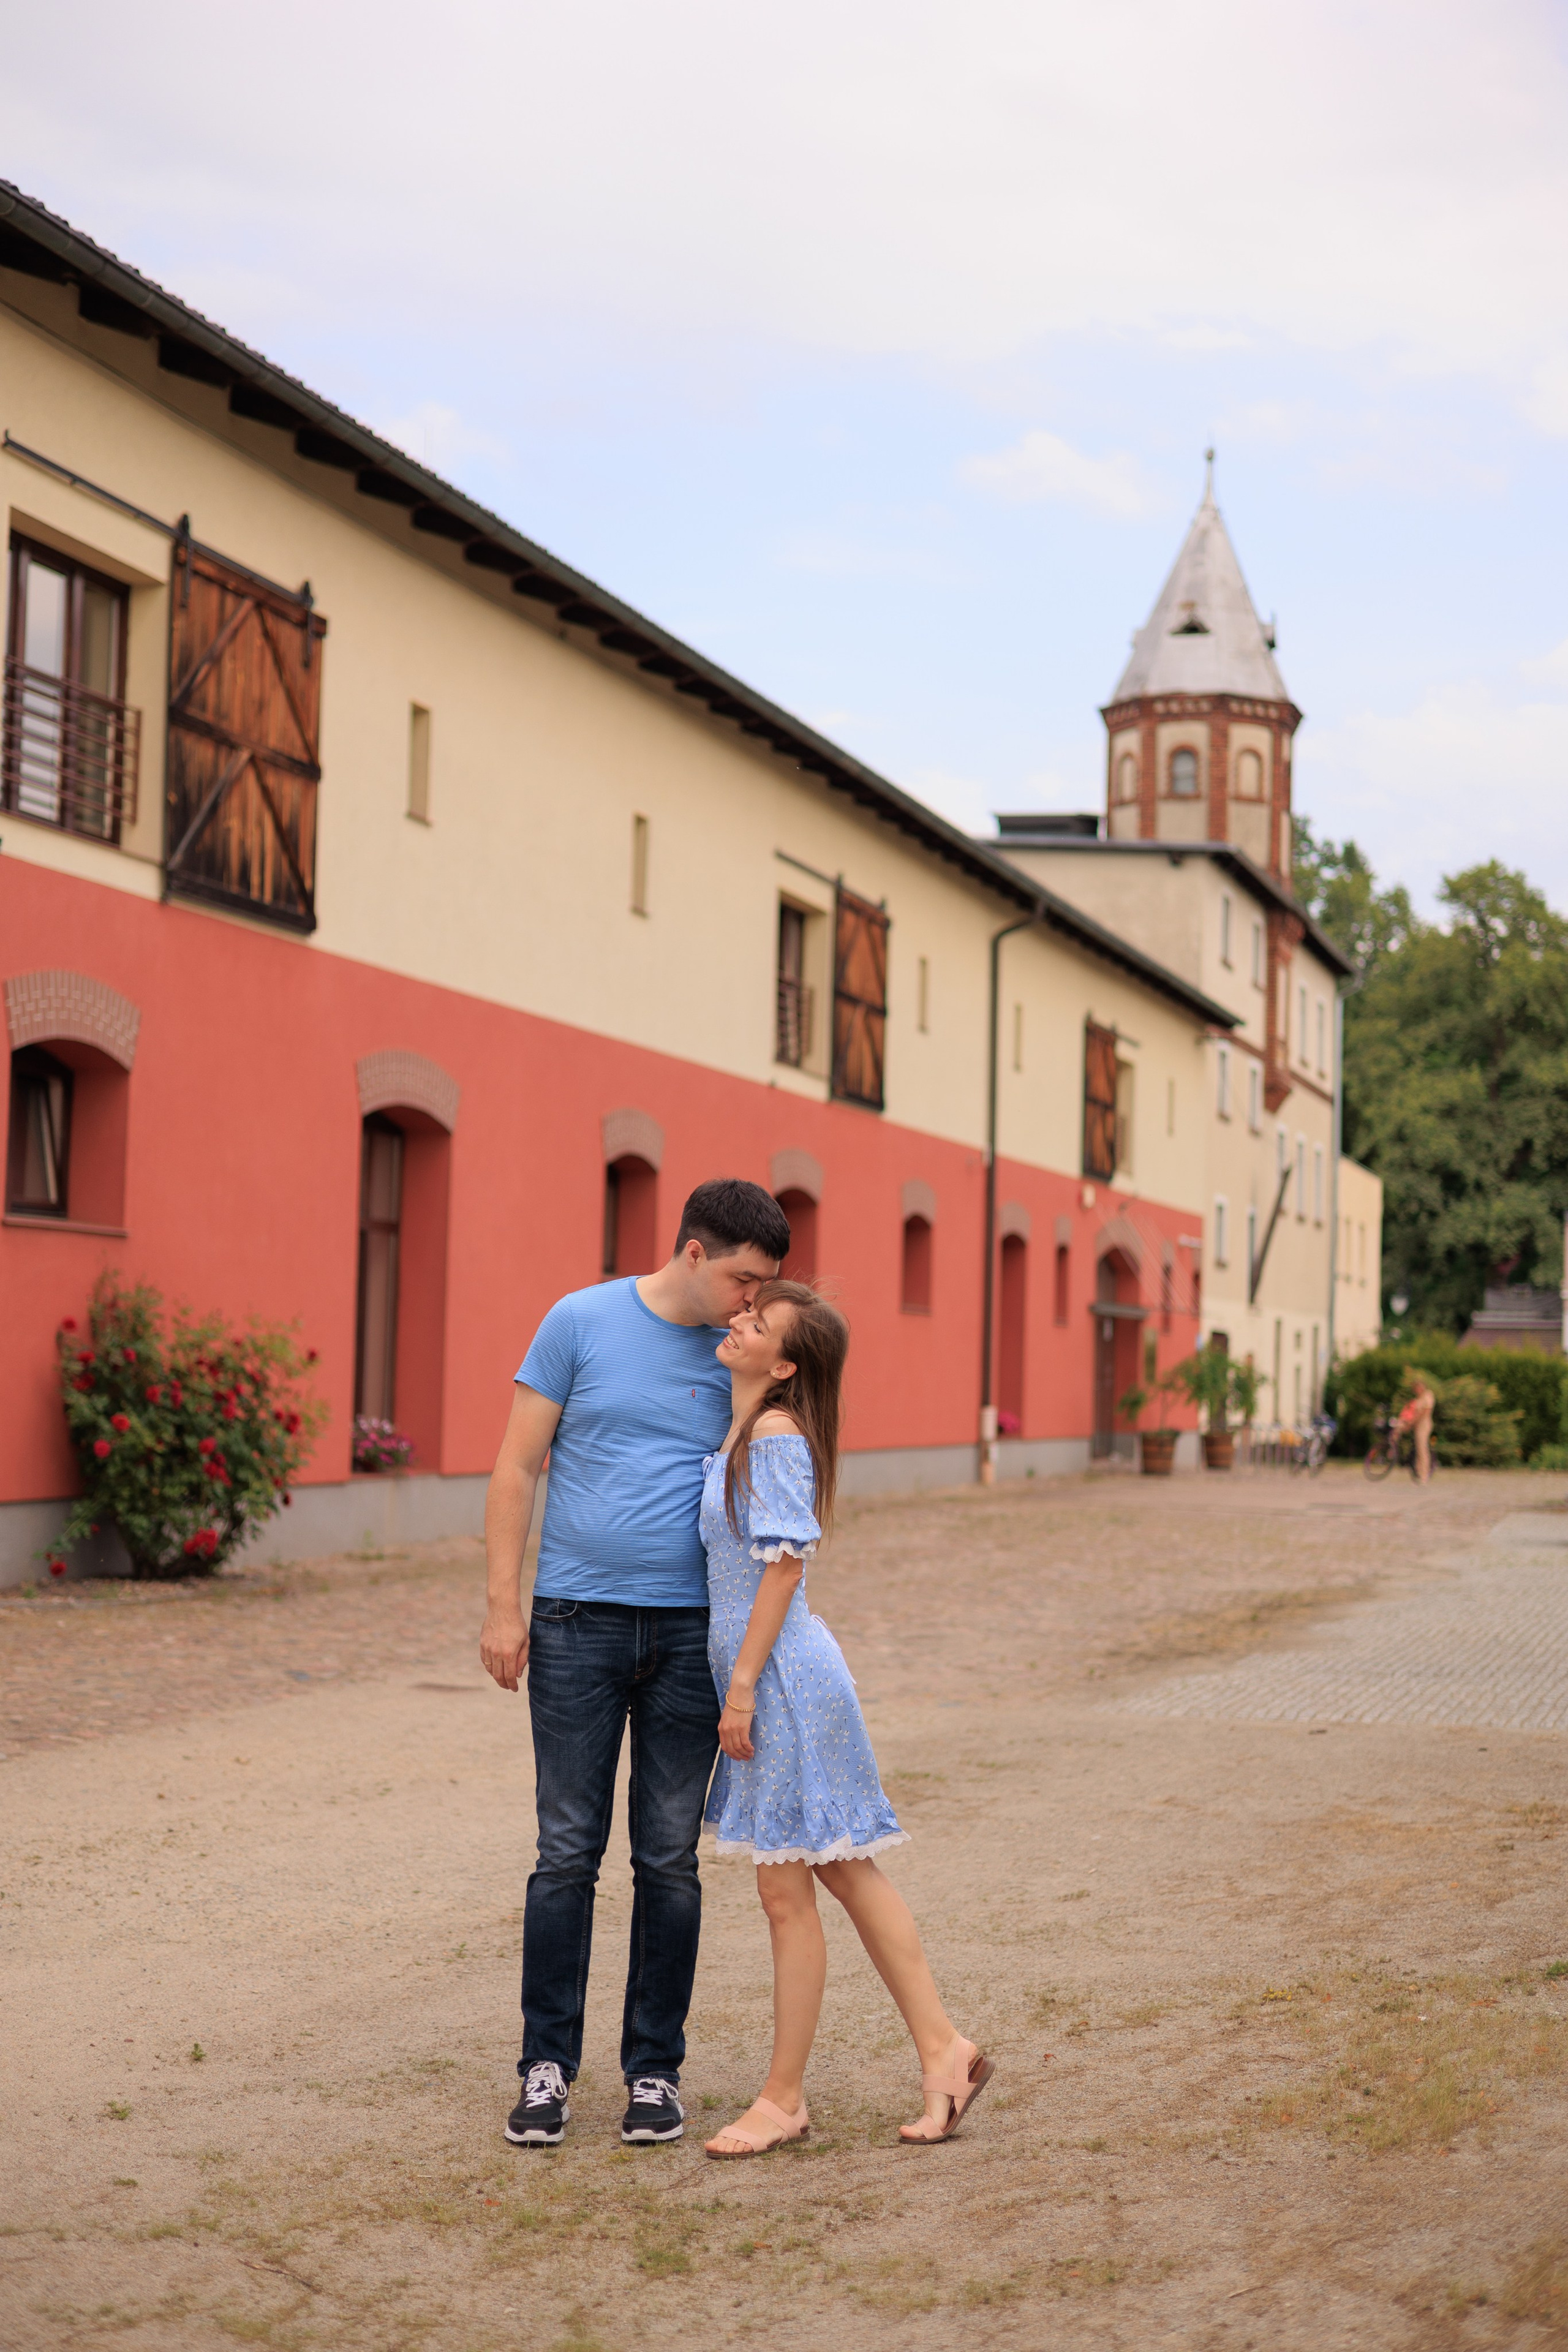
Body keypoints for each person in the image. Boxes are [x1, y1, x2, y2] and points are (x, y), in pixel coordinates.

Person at [480, 1177, 790, 2149]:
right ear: (694, 1252)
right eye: (743, 1278)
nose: (753, 1301)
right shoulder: (578, 1321)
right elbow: (516, 1465)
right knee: (566, 1853)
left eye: (764, 1286)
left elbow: (775, 1469)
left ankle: (653, 2072)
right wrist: (504, 1607)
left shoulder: (740, 1354)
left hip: (691, 1638)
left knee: (669, 1860)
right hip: (574, 1623)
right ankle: (546, 2067)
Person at [699, 1278, 993, 2157]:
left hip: (783, 1679)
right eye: (744, 1311)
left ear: (786, 1364)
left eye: (758, 1323)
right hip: (774, 1675)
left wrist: (743, 1685)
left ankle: (786, 2098)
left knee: (794, 1888)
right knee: (833, 1875)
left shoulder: (778, 1435)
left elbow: (783, 1569)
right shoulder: (745, 1430)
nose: (739, 1322)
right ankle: (945, 2054)